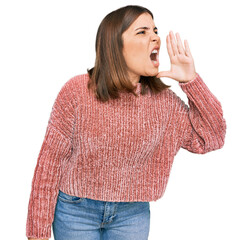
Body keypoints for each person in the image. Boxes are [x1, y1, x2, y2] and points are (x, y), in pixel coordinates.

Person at [26, 5, 226, 240]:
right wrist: (37, 233)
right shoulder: (78, 91)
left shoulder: (165, 103)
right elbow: (49, 163)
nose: (155, 37)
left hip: (132, 215)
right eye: (142, 32)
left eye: (155, 30)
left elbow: (212, 137)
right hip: (75, 211)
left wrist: (191, 81)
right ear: (114, 45)